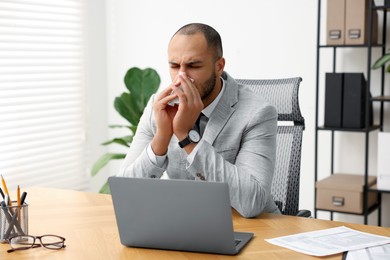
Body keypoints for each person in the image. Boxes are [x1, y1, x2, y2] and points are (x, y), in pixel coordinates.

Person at [118, 23, 280, 218]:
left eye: (194, 66)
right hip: (188, 224)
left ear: (219, 66)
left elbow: (251, 202)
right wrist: (161, 137)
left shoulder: (257, 113)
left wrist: (186, 138)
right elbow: (125, 192)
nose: (182, 77)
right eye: (174, 66)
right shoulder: (159, 106)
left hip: (256, 230)